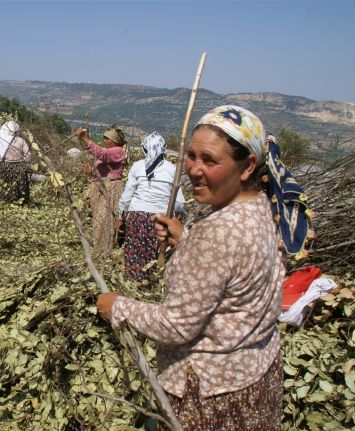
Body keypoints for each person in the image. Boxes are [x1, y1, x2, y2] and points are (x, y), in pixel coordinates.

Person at [97, 105, 311, 430]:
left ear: (247, 166)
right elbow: (234, 270)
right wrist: (186, 240)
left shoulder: (217, 232)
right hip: (254, 375)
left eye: (209, 160)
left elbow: (176, 326)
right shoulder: (266, 212)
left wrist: (116, 307)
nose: (194, 169)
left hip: (210, 393)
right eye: (191, 156)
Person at [117, 132, 185, 282]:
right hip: (160, 219)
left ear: (144, 149)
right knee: (155, 252)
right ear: (164, 149)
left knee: (135, 251)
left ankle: (133, 282)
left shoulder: (137, 167)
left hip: (136, 217)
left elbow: (127, 196)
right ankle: (151, 283)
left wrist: (120, 216)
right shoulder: (172, 169)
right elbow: (179, 203)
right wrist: (178, 218)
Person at [74, 125, 127, 259]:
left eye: (107, 139)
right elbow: (101, 167)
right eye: (103, 138)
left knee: (105, 220)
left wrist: (85, 138)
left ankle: (105, 251)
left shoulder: (118, 151)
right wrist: (89, 172)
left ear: (114, 140)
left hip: (110, 188)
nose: (104, 141)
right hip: (99, 187)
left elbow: (102, 154)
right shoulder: (108, 151)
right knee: (98, 219)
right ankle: (99, 249)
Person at [0, 121, 32, 203]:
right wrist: (24, 165)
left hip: (5, 168)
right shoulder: (21, 140)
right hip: (19, 168)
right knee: (21, 190)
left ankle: (6, 204)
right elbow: (28, 155)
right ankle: (21, 205)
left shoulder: (0, 141)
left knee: (5, 189)